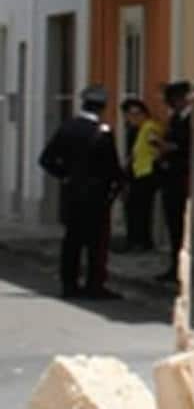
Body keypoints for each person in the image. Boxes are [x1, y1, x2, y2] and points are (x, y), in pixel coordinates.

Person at [38, 84, 124, 301]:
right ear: (102, 107)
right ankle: (94, 285)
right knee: (96, 242)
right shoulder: (103, 132)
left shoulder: (67, 128)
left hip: (73, 192)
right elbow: (111, 167)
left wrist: (65, 175)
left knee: (72, 240)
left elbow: (46, 159)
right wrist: (119, 184)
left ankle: (69, 284)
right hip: (97, 194)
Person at [156, 81, 194, 259]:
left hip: (183, 176)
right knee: (172, 223)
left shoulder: (193, 120)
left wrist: (172, 147)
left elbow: (190, 146)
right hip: (170, 176)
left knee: (181, 224)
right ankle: (173, 263)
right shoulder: (175, 118)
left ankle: (180, 264)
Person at [120, 95, 160, 254]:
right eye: (129, 115)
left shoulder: (149, 127)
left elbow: (154, 147)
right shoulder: (135, 129)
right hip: (137, 172)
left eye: (134, 115)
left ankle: (142, 241)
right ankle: (135, 240)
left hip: (146, 173)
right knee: (133, 208)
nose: (131, 118)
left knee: (141, 209)